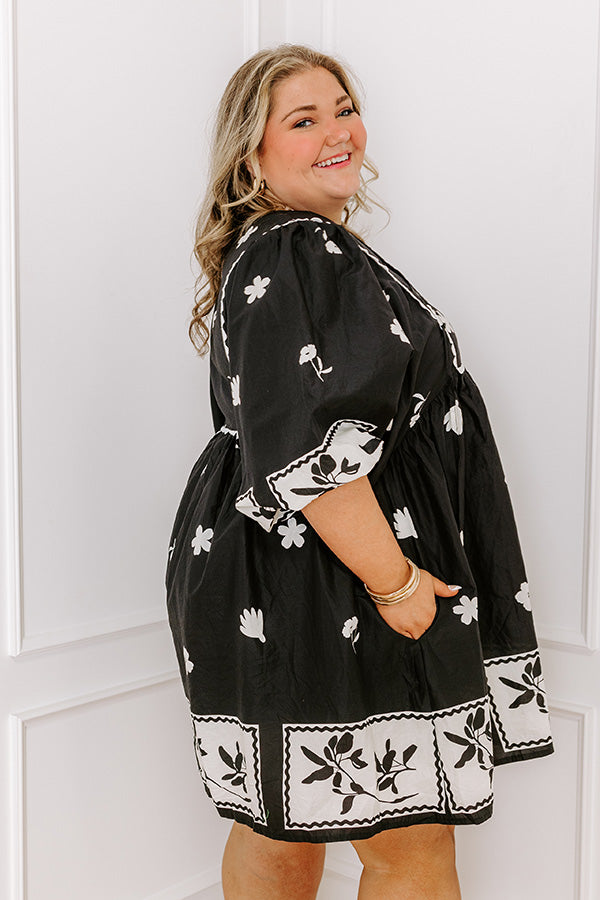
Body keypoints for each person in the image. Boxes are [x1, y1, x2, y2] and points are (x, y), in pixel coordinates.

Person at [165, 44, 554, 899]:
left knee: (280, 821)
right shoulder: (298, 248)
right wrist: (395, 582)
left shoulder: (289, 248)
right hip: (338, 569)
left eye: (343, 109)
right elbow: (312, 449)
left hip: (291, 572)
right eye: (304, 120)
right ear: (251, 155)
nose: (337, 131)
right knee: (409, 840)